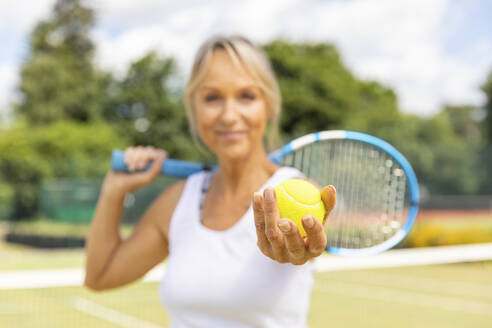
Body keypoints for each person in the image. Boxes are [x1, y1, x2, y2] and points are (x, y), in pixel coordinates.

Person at [84, 35, 336, 328]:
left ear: (268, 105)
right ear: (194, 108)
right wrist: (113, 191)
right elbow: (99, 276)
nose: (229, 116)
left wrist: (301, 250)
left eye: (247, 96)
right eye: (212, 97)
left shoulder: (299, 194)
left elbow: (309, 245)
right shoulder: (177, 201)